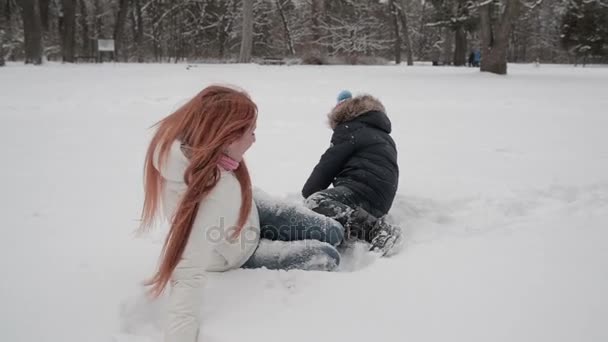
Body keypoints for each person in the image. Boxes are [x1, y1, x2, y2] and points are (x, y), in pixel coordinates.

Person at [139, 85, 344, 342]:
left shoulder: (199, 146)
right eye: (251, 132)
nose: (254, 139)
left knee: (334, 231)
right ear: (227, 138)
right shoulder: (211, 199)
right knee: (328, 255)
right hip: (239, 251)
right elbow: (186, 272)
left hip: (247, 209)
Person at [302, 90, 401, 256]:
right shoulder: (382, 134)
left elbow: (325, 168)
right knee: (331, 211)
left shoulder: (349, 129)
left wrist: (309, 191)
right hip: (381, 199)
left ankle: (377, 231)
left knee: (315, 201)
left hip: (361, 193)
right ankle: (357, 227)